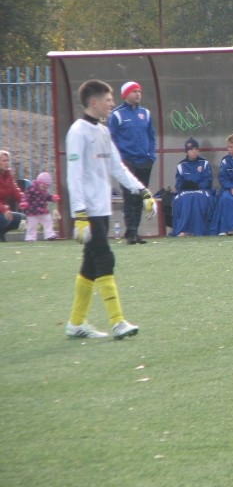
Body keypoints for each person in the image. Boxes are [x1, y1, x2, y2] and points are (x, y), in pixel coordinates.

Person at [65, 79, 156, 339]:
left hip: (101, 209)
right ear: (94, 102)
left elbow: (118, 167)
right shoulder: (78, 132)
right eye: (108, 99)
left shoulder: (103, 131)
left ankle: (75, 324)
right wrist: (79, 214)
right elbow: (74, 175)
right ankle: (118, 323)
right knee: (105, 259)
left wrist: (142, 190)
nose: (112, 103)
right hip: (89, 212)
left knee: (90, 266)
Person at [108, 81, 156, 244]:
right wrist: (120, 159)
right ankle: (131, 233)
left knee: (141, 197)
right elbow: (111, 139)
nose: (138, 94)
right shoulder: (117, 115)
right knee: (130, 196)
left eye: (139, 91)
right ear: (125, 94)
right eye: (134, 91)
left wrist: (151, 155)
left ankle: (134, 231)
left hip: (145, 161)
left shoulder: (146, 113)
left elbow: (151, 136)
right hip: (127, 162)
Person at [171, 137, 216, 236]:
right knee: (184, 199)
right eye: (191, 150)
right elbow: (178, 183)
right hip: (186, 191)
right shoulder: (181, 165)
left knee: (199, 198)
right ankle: (184, 230)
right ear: (187, 151)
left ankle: (201, 230)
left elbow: (208, 180)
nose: (194, 152)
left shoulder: (204, 163)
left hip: (201, 190)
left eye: (196, 149)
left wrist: (196, 185)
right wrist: (185, 185)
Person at [22, 172, 60, 241]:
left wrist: (52, 198)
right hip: (32, 211)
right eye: (43, 187)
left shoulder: (44, 191)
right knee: (32, 225)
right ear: (38, 183)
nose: (44, 189)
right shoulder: (31, 188)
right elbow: (26, 196)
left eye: (46, 187)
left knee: (48, 220)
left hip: (42, 210)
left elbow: (47, 197)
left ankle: (50, 234)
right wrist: (24, 202)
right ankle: (30, 237)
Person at [0, 150, 25, 242]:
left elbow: (15, 191)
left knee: (21, 218)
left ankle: (1, 233)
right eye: (4, 161)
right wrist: (4, 210)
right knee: (5, 218)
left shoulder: (9, 175)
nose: (7, 163)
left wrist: (26, 200)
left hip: (3, 211)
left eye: (7, 160)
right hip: (2, 210)